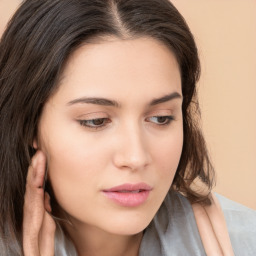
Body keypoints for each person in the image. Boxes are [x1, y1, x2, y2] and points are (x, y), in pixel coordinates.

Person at [0, 0, 255, 255]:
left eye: (161, 118)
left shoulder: (243, 241)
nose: (135, 157)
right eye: (96, 120)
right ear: (30, 123)